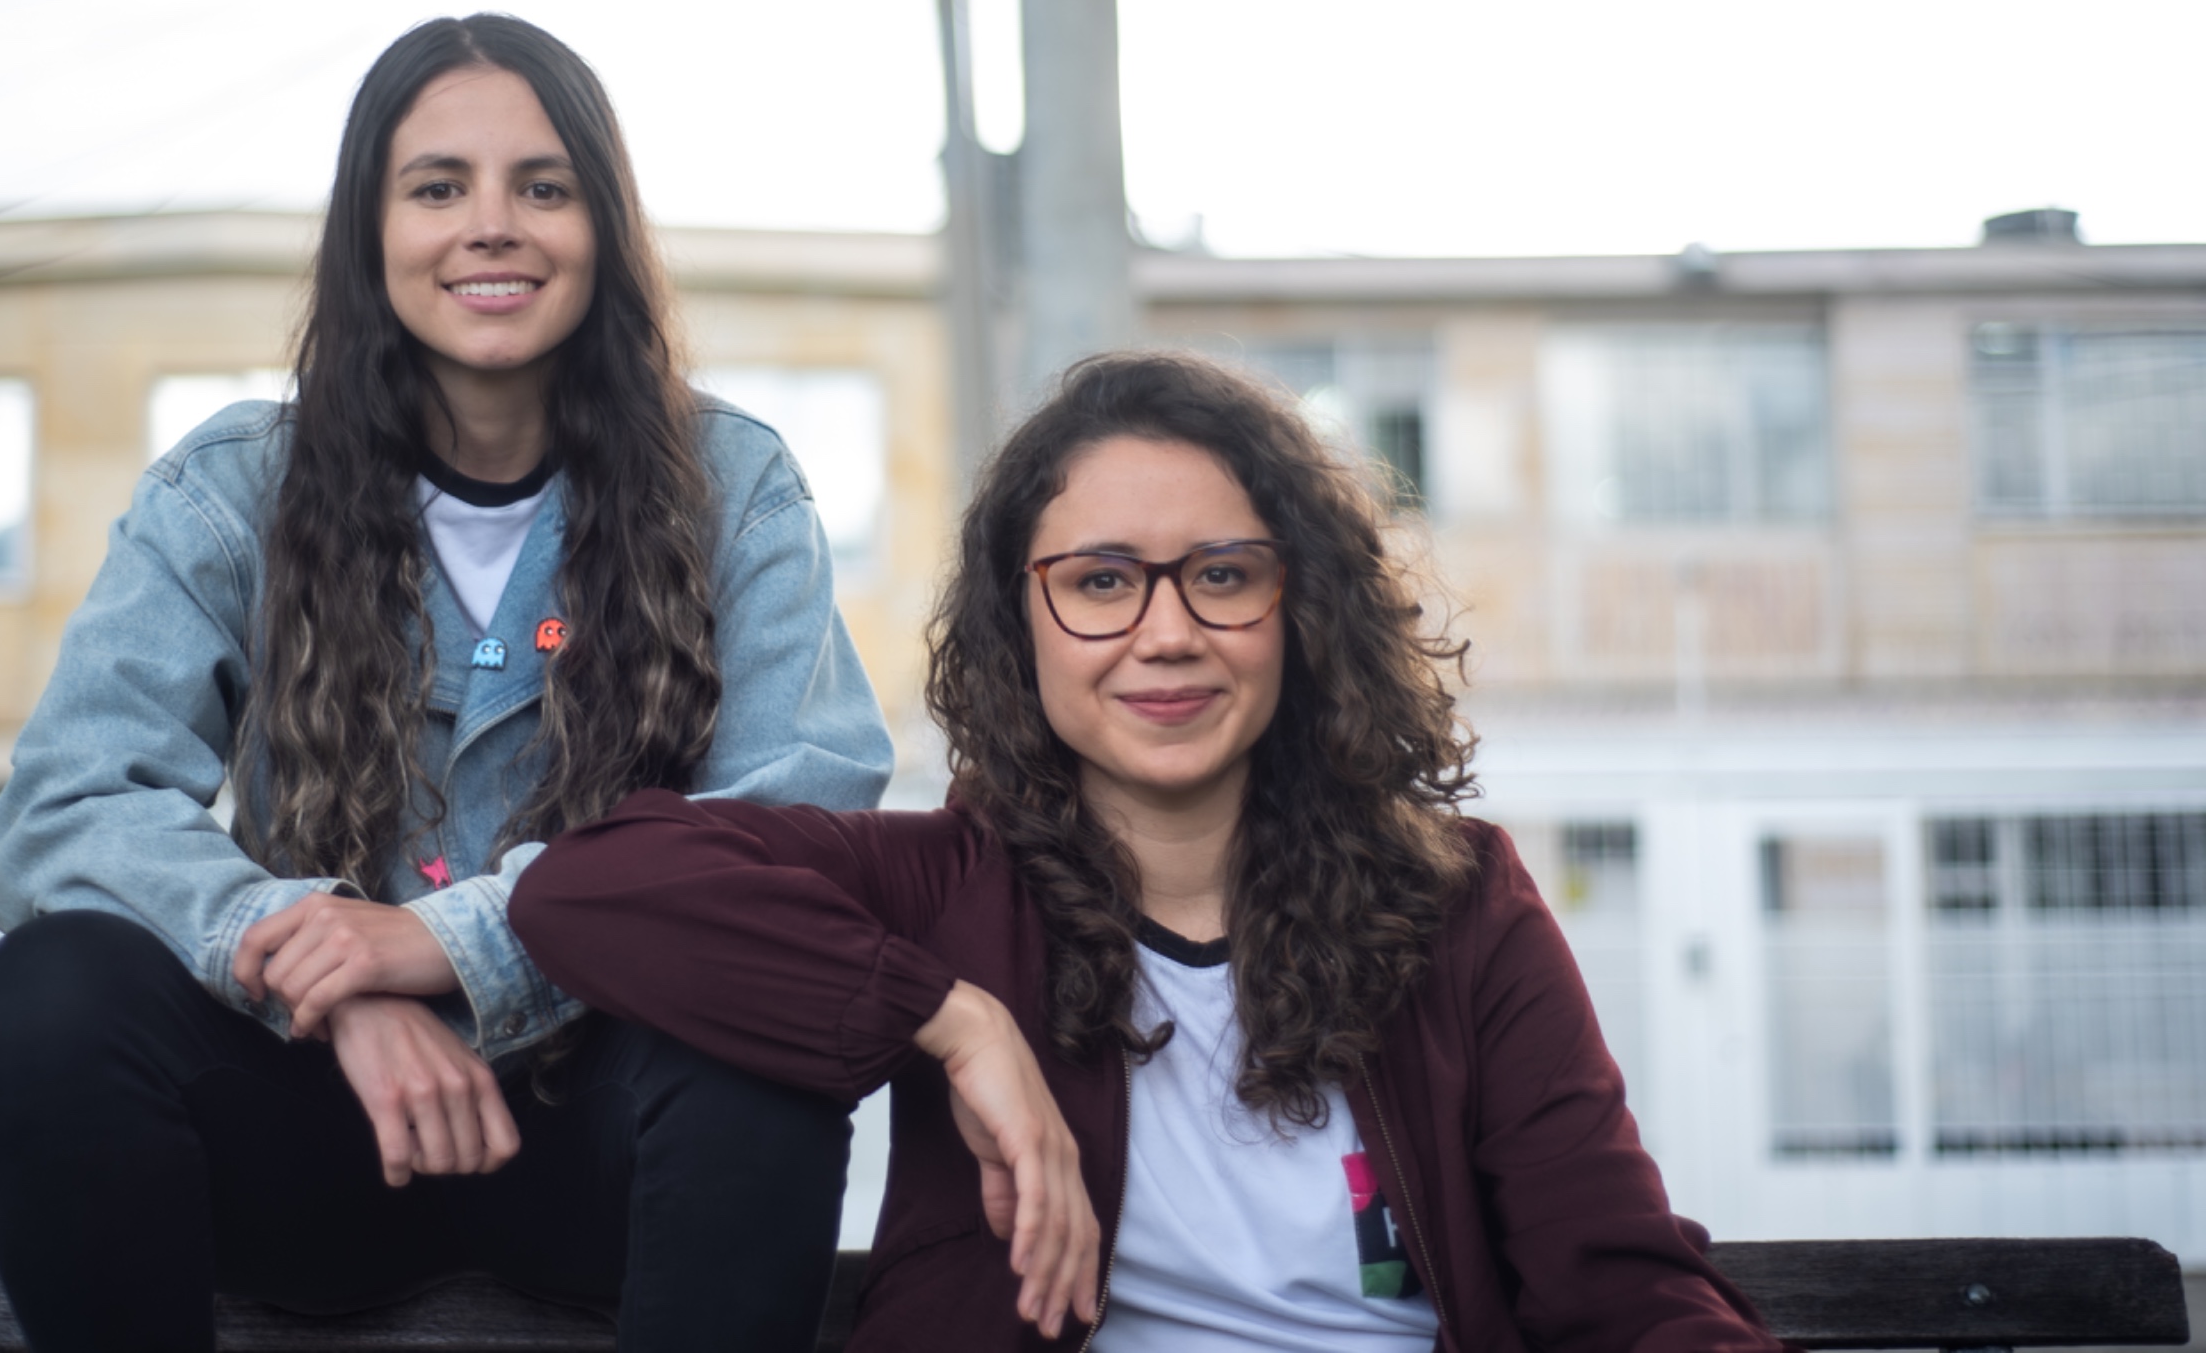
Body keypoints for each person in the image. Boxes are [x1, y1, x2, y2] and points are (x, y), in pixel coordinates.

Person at [512, 350, 1786, 1352]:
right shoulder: (937, 890)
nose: (1166, 633)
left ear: (1304, 610)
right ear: (1024, 622)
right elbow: (584, 886)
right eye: (1103, 581)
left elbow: (1619, 1283)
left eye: (1223, 576)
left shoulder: (1459, 909)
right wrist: (958, 1023)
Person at [0, 14, 894, 1353]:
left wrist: (467, 944)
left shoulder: (732, 489)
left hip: (613, 1161)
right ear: (371, 231)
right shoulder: (232, 493)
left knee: (752, 1040)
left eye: (543, 186)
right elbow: (66, 811)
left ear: (603, 228)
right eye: (438, 186)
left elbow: (797, 820)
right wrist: (338, 978)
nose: (490, 225)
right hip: (314, 1141)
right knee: (49, 997)